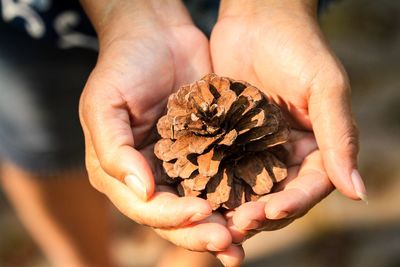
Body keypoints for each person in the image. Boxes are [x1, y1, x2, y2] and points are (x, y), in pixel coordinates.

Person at [0, 0, 367, 267]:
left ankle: (193, 256)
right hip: (40, 24)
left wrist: (270, 7)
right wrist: (132, 11)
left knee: (206, 220)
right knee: (41, 142)